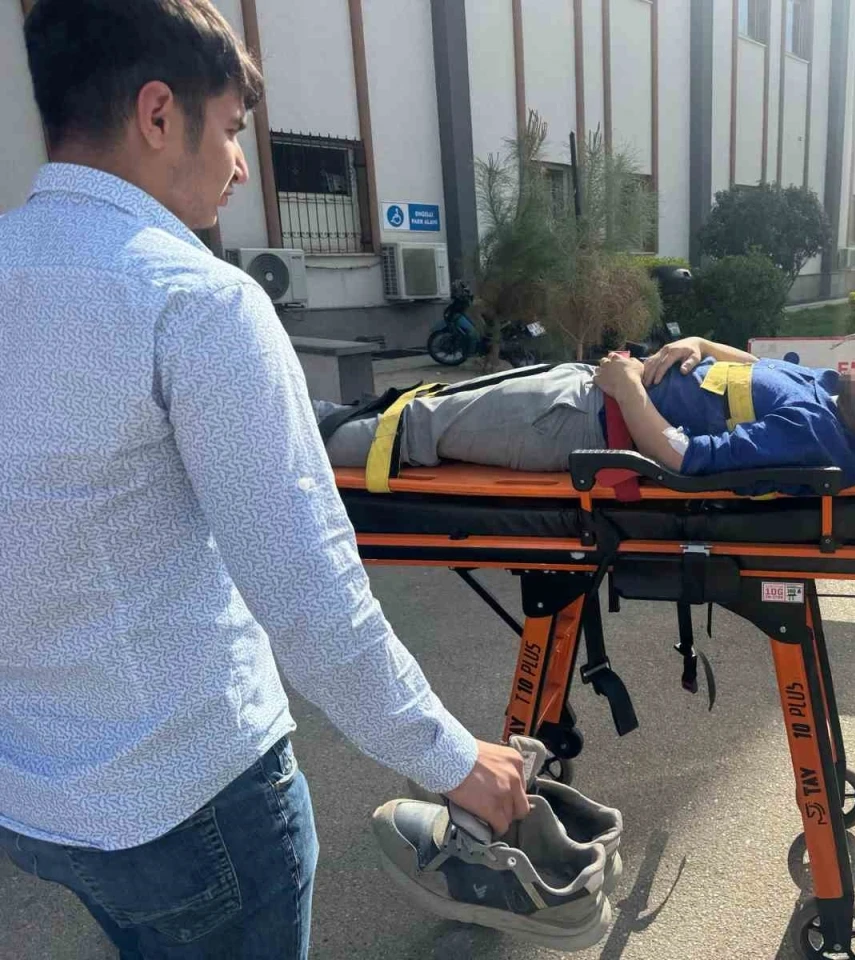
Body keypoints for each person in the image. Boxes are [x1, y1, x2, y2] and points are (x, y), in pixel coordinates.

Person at [0, 2, 529, 957]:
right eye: (232, 129)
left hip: (34, 800)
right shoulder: (194, 303)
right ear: (158, 114)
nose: (241, 166)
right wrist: (455, 762)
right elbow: (308, 593)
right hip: (191, 802)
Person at [316, 337, 855, 483]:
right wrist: (696, 345)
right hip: (593, 390)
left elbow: (684, 458)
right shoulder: (827, 392)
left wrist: (627, 387)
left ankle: (280, 444)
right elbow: (752, 367)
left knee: (414, 429)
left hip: (579, 419)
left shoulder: (816, 437)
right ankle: (296, 420)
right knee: (417, 406)